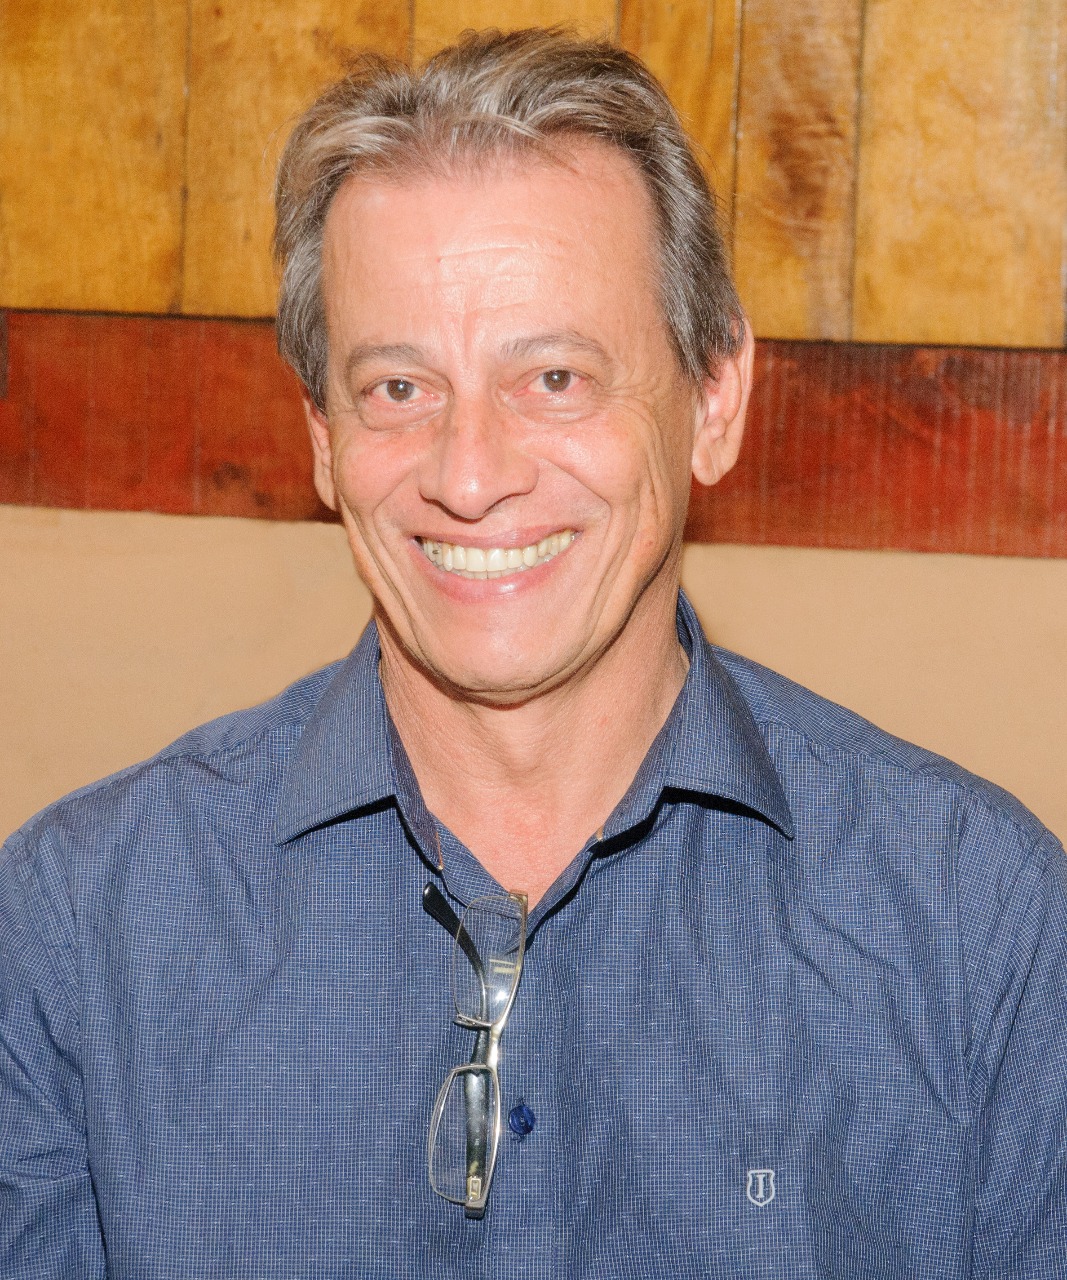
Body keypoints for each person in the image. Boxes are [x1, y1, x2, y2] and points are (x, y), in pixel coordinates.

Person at [1, 27, 1064, 1279]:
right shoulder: (75, 932)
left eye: (553, 376)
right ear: (324, 442)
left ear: (713, 399)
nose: (468, 474)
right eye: (398, 389)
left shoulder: (976, 922)